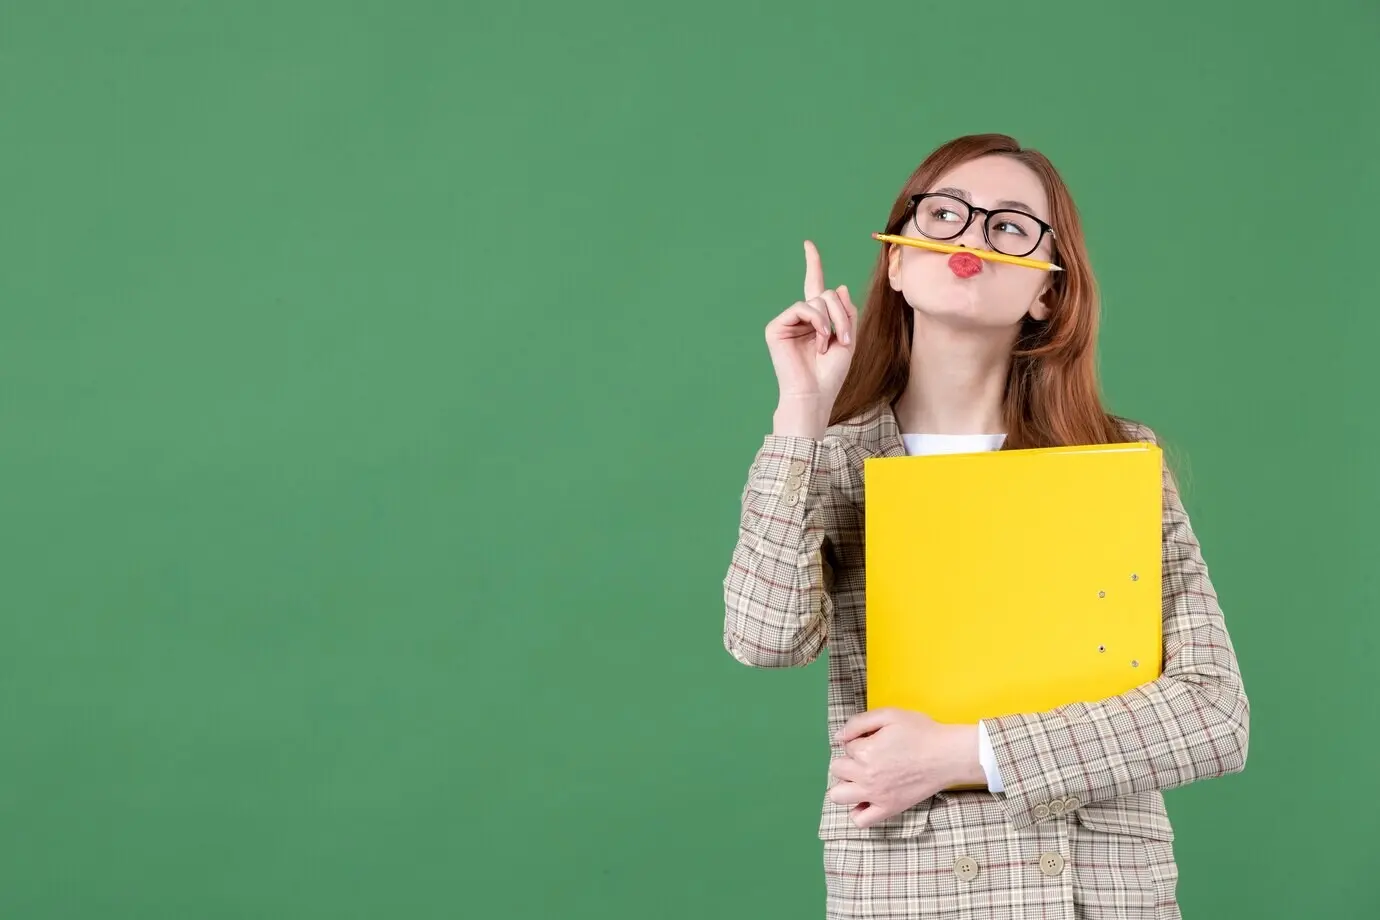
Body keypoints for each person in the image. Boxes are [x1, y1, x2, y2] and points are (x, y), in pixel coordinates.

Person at [721, 133, 1249, 919]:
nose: (971, 235)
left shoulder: (1115, 459)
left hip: (1093, 891)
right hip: (909, 885)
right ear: (896, 261)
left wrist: (958, 753)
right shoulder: (829, 460)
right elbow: (765, 639)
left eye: (1009, 226)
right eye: (944, 214)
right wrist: (801, 413)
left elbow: (1214, 715)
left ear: (1045, 289)